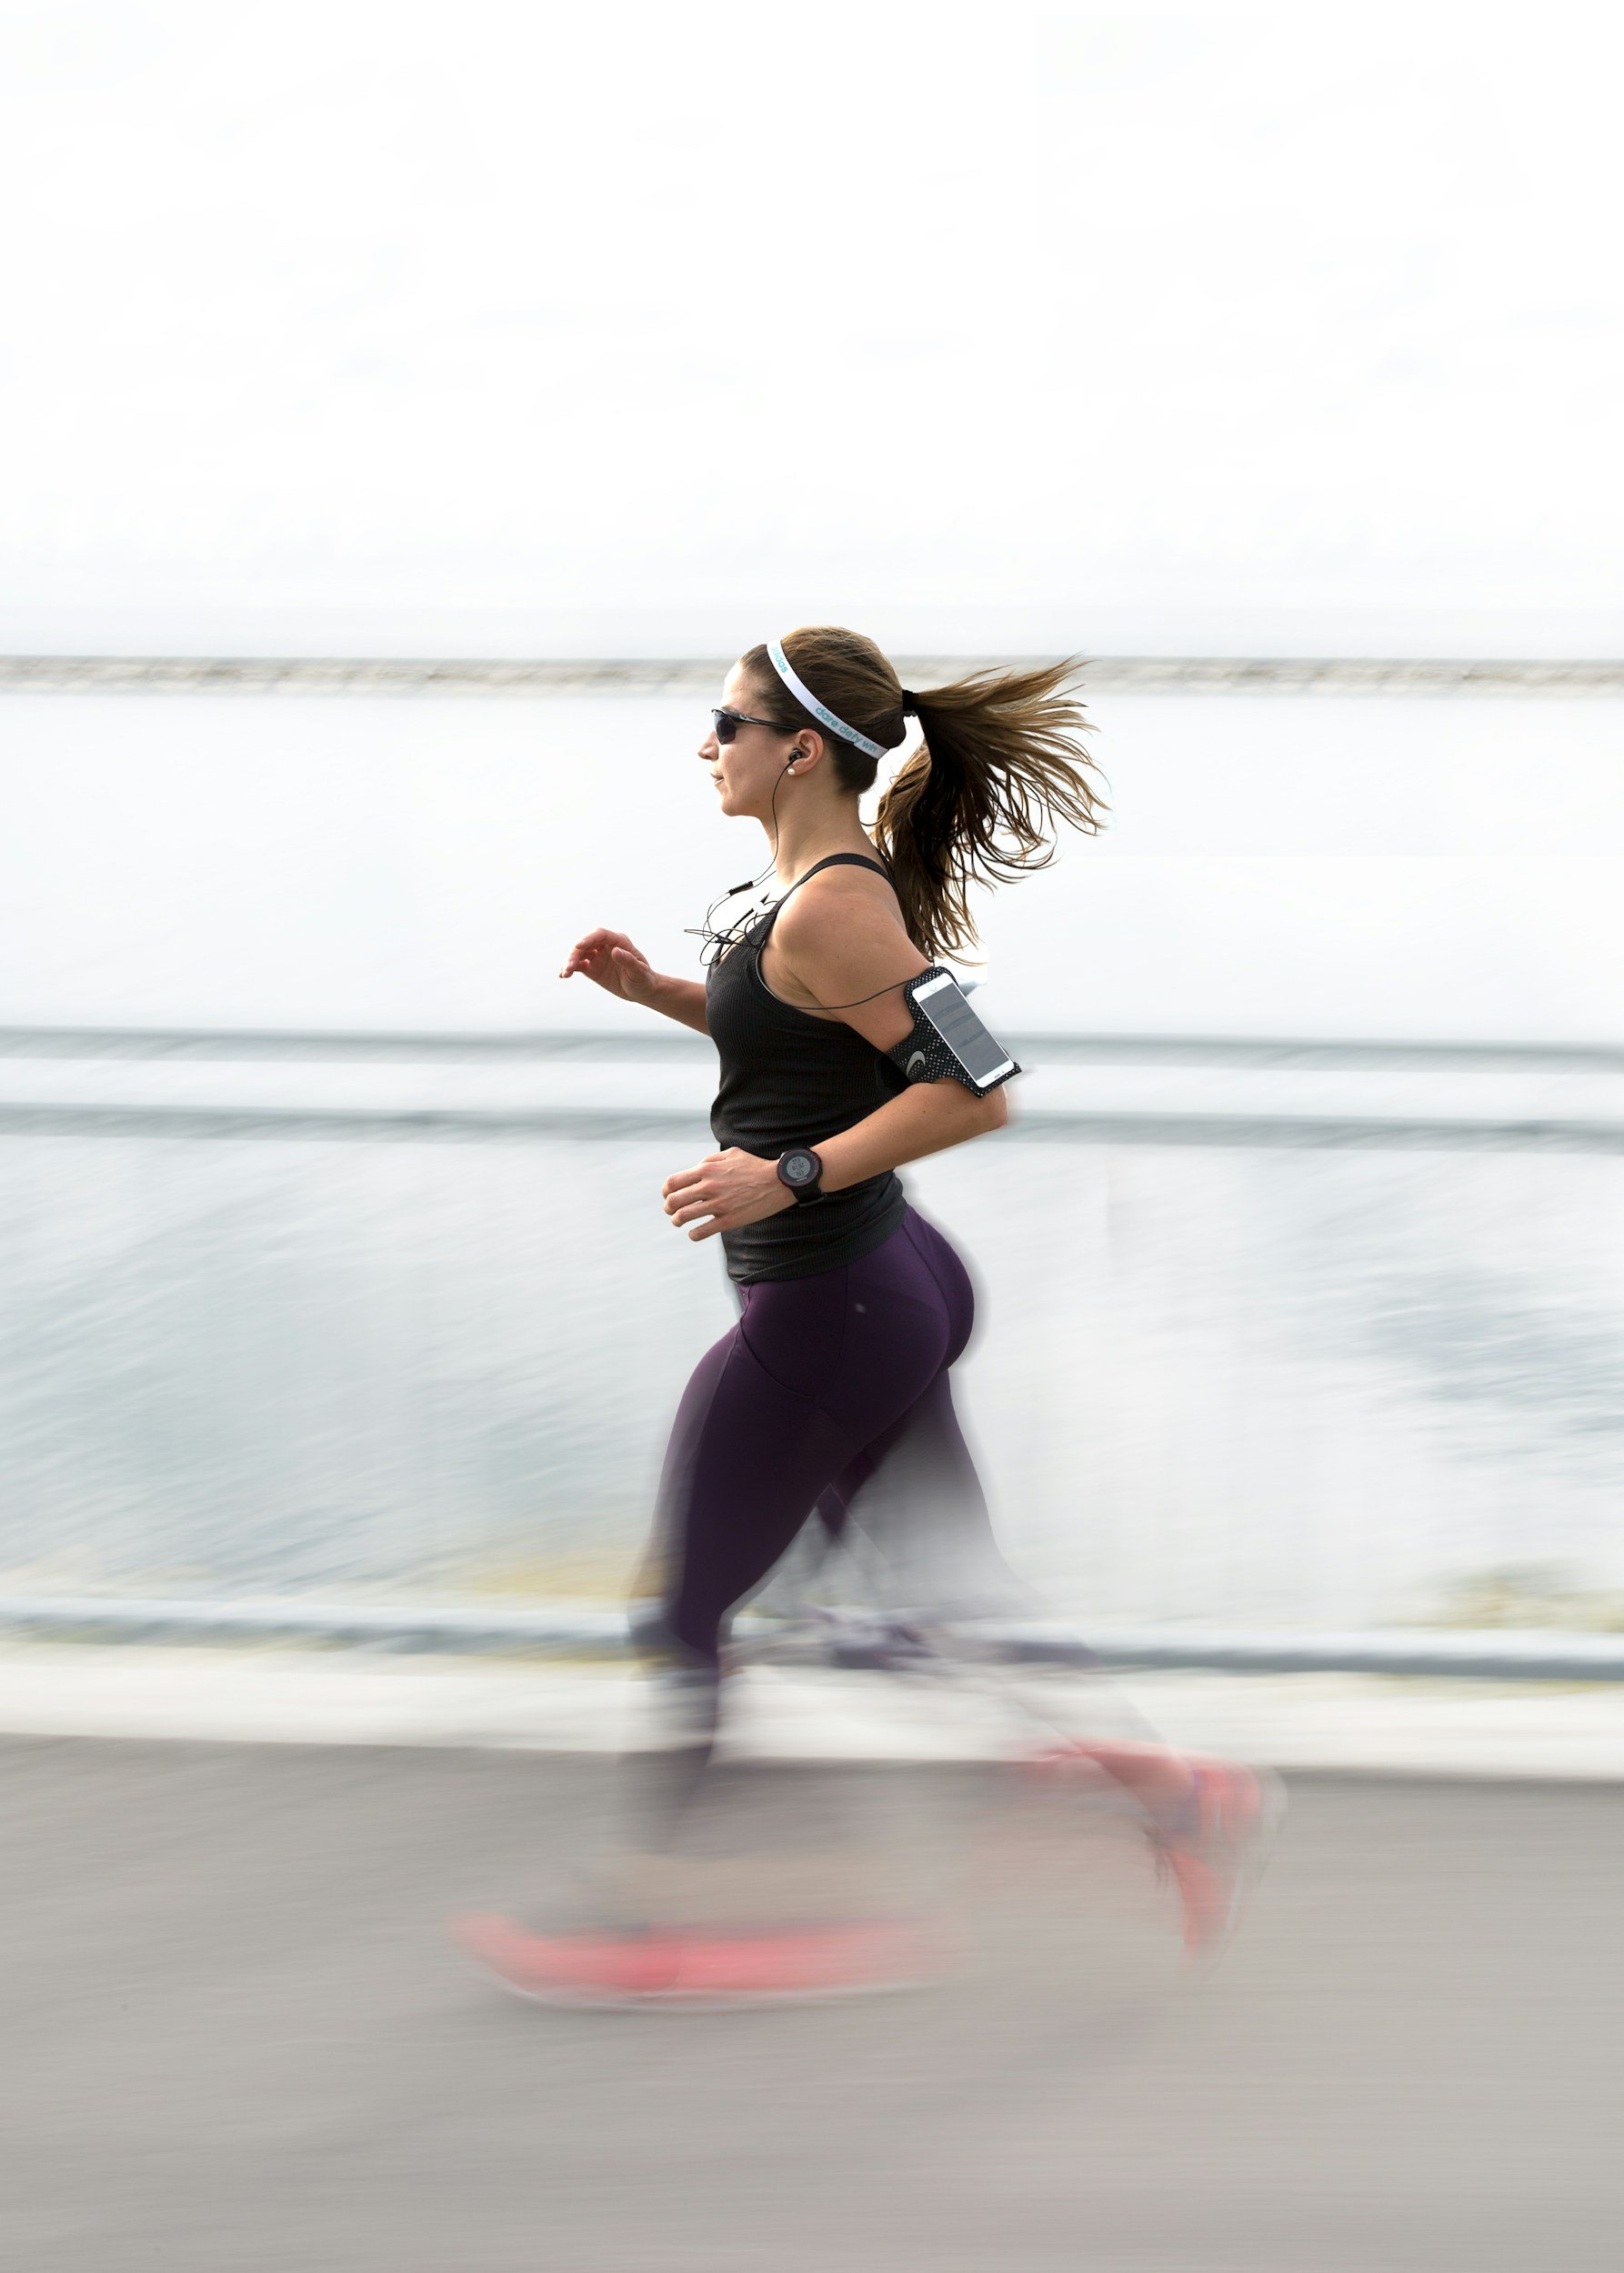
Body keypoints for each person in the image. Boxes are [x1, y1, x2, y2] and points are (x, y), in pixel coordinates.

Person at [454, 626, 1274, 2005]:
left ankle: (643, 1921)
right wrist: (657, 989)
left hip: (834, 1301)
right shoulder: (809, 894)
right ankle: (1175, 1794)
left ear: (796, 749)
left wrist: (787, 1176)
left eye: (724, 723)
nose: (705, 746)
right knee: (940, 1597)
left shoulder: (837, 901)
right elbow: (806, 1033)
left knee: (689, 1616)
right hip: (884, 1286)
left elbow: (977, 1087)